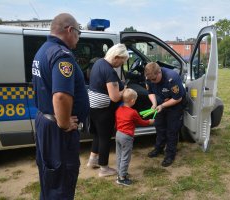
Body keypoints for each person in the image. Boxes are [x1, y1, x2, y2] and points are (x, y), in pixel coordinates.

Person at [32, 13, 89, 199]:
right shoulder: (62, 55)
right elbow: (61, 96)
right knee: (61, 181)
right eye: (78, 33)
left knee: (50, 178)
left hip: (46, 123)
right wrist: (64, 123)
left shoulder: (44, 50)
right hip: (58, 130)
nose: (78, 39)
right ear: (69, 30)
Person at [86, 43, 129, 177]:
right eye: (122, 61)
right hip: (103, 109)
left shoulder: (99, 62)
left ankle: (92, 160)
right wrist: (125, 91)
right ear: (116, 57)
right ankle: (104, 168)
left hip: (93, 106)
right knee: (105, 137)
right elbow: (115, 97)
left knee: (98, 134)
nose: (121, 64)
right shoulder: (109, 71)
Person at [145, 62, 186, 167]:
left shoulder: (172, 78)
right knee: (159, 127)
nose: (152, 81)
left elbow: (178, 98)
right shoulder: (149, 77)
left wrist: (163, 106)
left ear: (159, 72)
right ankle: (159, 148)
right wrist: (154, 104)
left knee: (172, 130)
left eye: (154, 79)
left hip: (175, 105)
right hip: (160, 103)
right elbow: (150, 92)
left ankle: (170, 155)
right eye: (150, 80)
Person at [115, 88, 154, 186]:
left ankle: (120, 173)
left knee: (119, 155)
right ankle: (122, 178)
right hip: (126, 136)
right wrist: (150, 121)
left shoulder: (119, 109)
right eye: (135, 100)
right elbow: (141, 122)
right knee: (126, 157)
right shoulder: (133, 112)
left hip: (118, 134)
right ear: (132, 101)